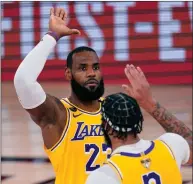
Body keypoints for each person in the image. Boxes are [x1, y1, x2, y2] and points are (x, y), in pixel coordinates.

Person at [14, 7, 192, 184]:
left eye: (96, 67)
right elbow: (23, 80)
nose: (91, 73)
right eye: (83, 68)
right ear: (68, 73)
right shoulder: (58, 114)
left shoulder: (115, 110)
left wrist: (150, 104)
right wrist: (52, 37)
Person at [86, 66, 192, 184]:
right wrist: (149, 103)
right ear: (140, 119)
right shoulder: (171, 146)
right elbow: (189, 142)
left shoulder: (105, 176)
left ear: (106, 126)